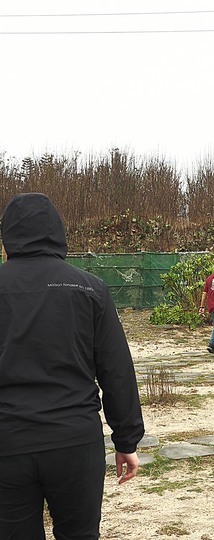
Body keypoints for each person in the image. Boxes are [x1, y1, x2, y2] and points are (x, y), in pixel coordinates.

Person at [0, 193, 145, 540]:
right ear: (57, 231)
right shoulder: (89, 288)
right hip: (75, 441)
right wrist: (126, 440)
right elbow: (116, 369)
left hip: (7, 443)